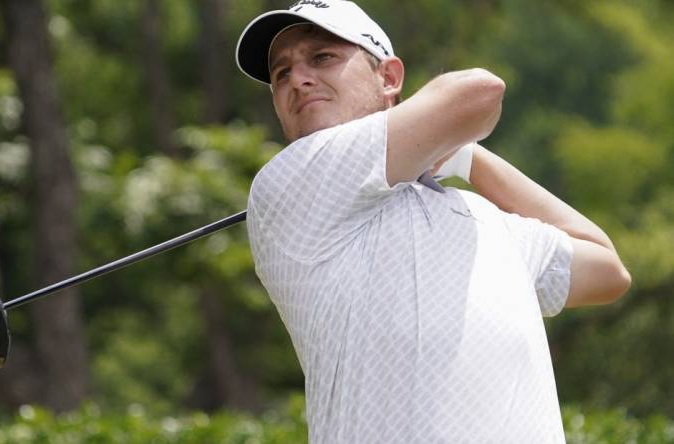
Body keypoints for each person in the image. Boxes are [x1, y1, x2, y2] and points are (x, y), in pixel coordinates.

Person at [235, 1, 631, 442]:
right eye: (280, 73)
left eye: (322, 57)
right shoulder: (291, 182)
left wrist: (467, 155)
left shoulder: (484, 219)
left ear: (388, 78)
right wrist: (445, 134)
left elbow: (607, 269)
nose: (298, 79)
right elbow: (478, 92)